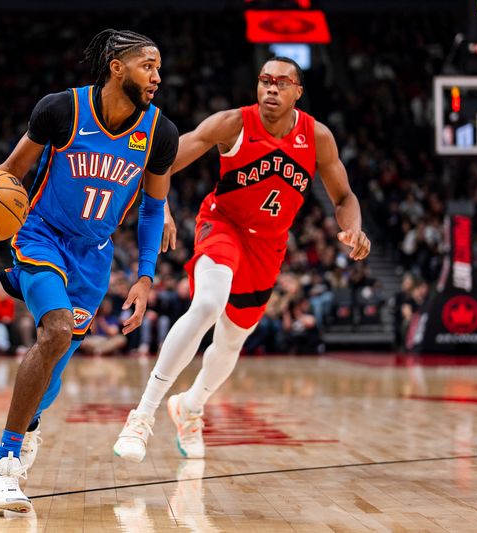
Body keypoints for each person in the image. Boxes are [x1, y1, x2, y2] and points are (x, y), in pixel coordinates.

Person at [0, 29, 178, 512]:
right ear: (117, 67)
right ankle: (3, 467)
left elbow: (154, 209)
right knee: (53, 332)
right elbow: (9, 172)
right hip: (40, 236)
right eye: (148, 66)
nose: (157, 76)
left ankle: (28, 428)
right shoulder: (61, 109)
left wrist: (143, 276)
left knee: (52, 370)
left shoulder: (161, 133)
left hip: (93, 257)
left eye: (159, 68)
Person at [113, 57, 371, 462]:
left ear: (297, 92)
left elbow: (344, 197)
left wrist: (354, 228)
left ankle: (190, 406)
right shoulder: (232, 123)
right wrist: (157, 204)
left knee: (232, 340)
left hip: (268, 246)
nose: (272, 88)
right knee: (209, 303)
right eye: (265, 80)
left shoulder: (317, 137)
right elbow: (160, 163)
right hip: (222, 225)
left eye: (282, 83)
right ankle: (142, 415)